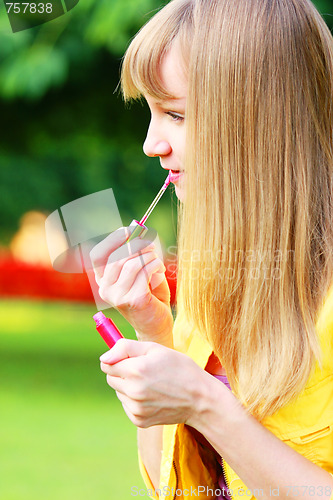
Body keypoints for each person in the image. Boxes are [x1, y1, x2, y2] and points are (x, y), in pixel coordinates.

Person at [90, 0, 333, 498]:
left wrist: (206, 403)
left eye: (175, 114)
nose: (151, 143)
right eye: (152, 113)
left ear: (260, 118)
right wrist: (152, 327)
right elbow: (173, 485)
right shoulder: (217, 282)